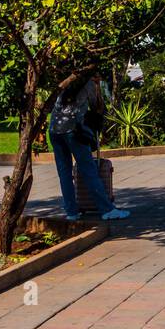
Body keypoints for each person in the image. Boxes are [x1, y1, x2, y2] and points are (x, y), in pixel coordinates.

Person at [49, 73, 129, 221]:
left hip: (54, 130)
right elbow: (97, 107)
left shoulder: (65, 81)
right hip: (73, 130)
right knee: (88, 170)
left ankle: (71, 212)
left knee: (64, 173)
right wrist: (97, 88)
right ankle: (107, 209)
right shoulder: (90, 84)